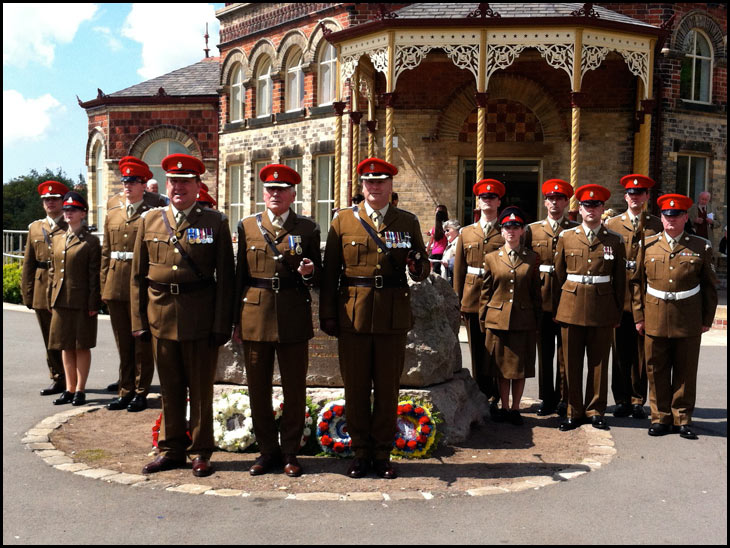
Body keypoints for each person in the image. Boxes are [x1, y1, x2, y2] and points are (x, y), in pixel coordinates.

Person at [320, 157, 430, 479]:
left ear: (390, 185)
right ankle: (360, 452)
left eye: (380, 181)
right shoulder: (343, 222)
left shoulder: (406, 221)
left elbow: (422, 269)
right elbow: (330, 275)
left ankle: (382, 453)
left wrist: (416, 266)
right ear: (362, 186)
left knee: (387, 388)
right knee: (355, 387)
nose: (374, 187)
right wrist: (328, 315)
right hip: (353, 315)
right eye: (369, 182)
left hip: (391, 315)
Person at [131, 153, 234, 478]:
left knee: (200, 390)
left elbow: (226, 279)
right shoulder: (150, 221)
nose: (179, 187)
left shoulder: (214, 222)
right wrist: (138, 322)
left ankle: (201, 451)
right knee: (170, 387)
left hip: (200, 318)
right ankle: (171, 449)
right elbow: (137, 276)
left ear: (197, 186)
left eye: (185, 182)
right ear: (166, 184)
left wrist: (222, 324)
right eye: (173, 181)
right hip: (161, 316)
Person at [232, 164, 321, 478]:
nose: (275, 194)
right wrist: (234, 322)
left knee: (294, 388)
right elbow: (238, 277)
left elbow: (318, 275)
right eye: (270, 189)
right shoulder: (247, 226)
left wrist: (310, 272)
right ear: (263, 193)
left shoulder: (307, 228)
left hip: (293, 314)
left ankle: (290, 452)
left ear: (293, 194)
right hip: (255, 314)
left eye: (281, 189)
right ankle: (267, 450)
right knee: (258, 388)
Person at [632, 194, 718, 439]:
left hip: (688, 318)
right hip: (655, 316)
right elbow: (637, 282)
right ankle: (660, 417)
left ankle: (682, 418)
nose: (671, 220)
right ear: (661, 217)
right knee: (655, 368)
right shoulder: (647, 245)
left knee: (685, 369)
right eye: (667, 215)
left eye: (677, 215)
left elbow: (710, 287)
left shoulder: (700, 246)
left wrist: (705, 320)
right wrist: (639, 316)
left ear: (685, 218)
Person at [554, 184, 625, 431]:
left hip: (602, 307)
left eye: (595, 205)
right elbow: (559, 275)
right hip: (571, 305)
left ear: (602, 209)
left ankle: (596, 410)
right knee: (571, 362)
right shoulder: (566, 237)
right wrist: (559, 308)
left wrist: (616, 312)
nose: (591, 210)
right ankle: (574, 411)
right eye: (586, 206)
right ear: (580, 209)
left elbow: (620, 281)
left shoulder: (614, 240)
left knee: (598, 362)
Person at [103, 157, 167, 413]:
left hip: (141, 281)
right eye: (125, 181)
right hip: (116, 281)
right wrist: (103, 287)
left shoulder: (155, 210)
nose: (127, 185)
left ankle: (141, 391)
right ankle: (125, 389)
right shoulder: (113, 209)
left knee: (141, 339)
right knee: (122, 341)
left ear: (143, 185)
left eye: (133, 182)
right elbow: (106, 250)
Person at [604, 174, 663, 420]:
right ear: (625, 197)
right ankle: (621, 399)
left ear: (647, 197)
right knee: (619, 351)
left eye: (640, 193)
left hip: (647, 296)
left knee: (642, 352)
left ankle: (638, 399)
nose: (635, 197)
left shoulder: (657, 225)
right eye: (631, 193)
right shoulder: (613, 225)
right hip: (620, 294)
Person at [479, 207, 541, 425]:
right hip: (498, 320)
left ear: (522, 231)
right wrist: (483, 318)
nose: (511, 231)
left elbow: (535, 293)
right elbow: (486, 291)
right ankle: (504, 407)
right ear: (502, 231)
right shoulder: (491, 258)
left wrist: (537, 320)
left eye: (515, 227)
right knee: (502, 368)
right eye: (507, 227)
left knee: (519, 368)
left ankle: (516, 408)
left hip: (523, 320)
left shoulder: (532, 258)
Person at [524, 179, 579, 417]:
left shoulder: (575, 229)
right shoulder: (532, 230)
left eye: (559, 199)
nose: (554, 203)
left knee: (566, 353)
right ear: (545, 202)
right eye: (550, 198)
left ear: (567, 202)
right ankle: (547, 398)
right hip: (542, 298)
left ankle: (565, 399)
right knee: (544, 351)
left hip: (568, 296)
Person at [453, 179, 505, 416]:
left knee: (495, 348)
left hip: (498, 296)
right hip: (472, 295)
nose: (488, 201)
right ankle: (480, 393)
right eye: (484, 198)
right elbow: (459, 270)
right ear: (478, 202)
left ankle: (495, 393)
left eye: (492, 198)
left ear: (498, 202)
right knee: (476, 346)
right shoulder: (466, 232)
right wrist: (457, 299)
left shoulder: (506, 231)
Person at [48, 192, 101, 406]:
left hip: (81, 301)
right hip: (60, 300)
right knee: (65, 345)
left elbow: (94, 274)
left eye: (73, 210)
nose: (68, 213)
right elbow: (53, 270)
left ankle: (80, 389)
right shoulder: (59, 238)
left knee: (81, 345)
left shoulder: (90, 241)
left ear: (83, 213)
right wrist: (51, 298)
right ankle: (69, 389)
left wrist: (93, 303)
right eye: (66, 210)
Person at [22, 180, 70, 396]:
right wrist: (28, 293)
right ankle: (57, 377)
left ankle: (72, 379)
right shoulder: (35, 227)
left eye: (54, 199)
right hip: (42, 286)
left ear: (62, 201)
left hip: (65, 285)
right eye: (46, 200)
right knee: (48, 336)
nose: (50, 203)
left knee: (66, 335)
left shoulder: (71, 224)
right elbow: (28, 263)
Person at [427, 205, 449, 275]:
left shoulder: (434, 229)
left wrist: (427, 250)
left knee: (434, 273)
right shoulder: (448, 228)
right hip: (443, 253)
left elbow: (431, 242)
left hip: (434, 253)